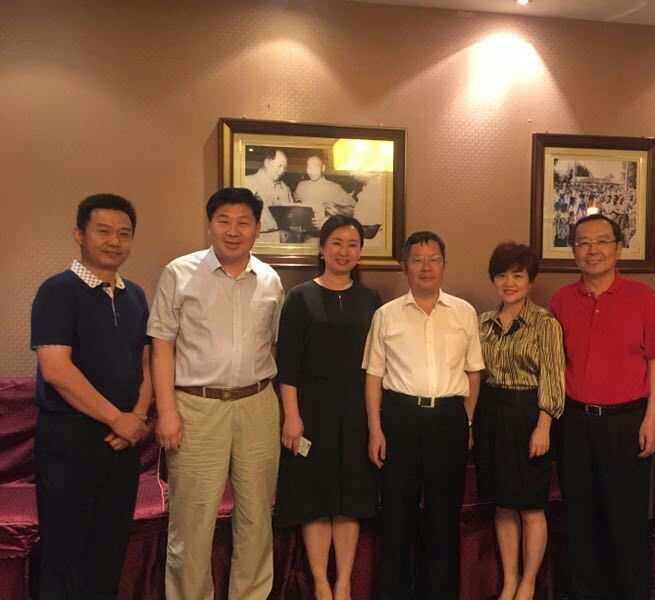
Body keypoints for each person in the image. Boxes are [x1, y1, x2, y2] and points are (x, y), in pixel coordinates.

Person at [148, 187, 284, 600]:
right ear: (210, 225)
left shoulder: (270, 280)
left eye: (244, 222)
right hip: (196, 407)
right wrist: (166, 412)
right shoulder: (179, 273)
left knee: (257, 517)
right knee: (192, 521)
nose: (233, 230)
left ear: (257, 229)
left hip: (258, 404)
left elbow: (274, 345)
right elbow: (161, 346)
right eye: (224, 220)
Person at [31, 193, 151, 599]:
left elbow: (147, 363)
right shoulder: (57, 291)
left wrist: (137, 418)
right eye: (103, 231)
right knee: (63, 555)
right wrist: (118, 419)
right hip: (70, 441)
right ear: (79, 234)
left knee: (109, 552)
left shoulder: (136, 295)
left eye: (124, 233)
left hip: (123, 444)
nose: (114, 241)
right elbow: (56, 369)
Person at [362, 231, 484, 600]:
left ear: (444, 266)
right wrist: (375, 430)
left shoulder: (464, 312)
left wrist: (466, 421)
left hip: (448, 418)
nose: (426, 267)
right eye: (417, 260)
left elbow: (473, 372)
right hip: (400, 417)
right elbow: (374, 376)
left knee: (443, 516)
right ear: (405, 267)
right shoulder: (386, 315)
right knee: (396, 514)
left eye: (434, 259)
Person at [550, 213, 655, 600]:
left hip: (627, 421)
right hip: (575, 421)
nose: (592, 250)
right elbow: (555, 363)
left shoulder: (643, 297)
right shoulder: (561, 300)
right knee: (579, 519)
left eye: (601, 241)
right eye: (583, 242)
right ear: (573, 251)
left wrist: (651, 418)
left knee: (627, 519)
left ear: (618, 248)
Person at [274, 215, 381, 600]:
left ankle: (343, 582)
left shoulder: (370, 300)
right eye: (336, 243)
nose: (343, 251)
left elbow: (377, 365)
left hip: (356, 411)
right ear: (321, 249)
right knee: (316, 499)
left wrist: (375, 423)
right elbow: (287, 365)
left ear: (360, 252)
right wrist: (292, 416)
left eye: (352, 244)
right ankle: (321, 582)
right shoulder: (299, 297)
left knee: (349, 499)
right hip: (311, 412)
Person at [475, 242, 565, 600]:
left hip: (529, 413)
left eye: (518, 275)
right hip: (491, 412)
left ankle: (528, 583)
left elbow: (553, 377)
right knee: (503, 503)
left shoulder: (545, 323)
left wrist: (544, 425)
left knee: (530, 505)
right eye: (502, 275)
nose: (509, 283)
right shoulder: (483, 322)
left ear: (530, 280)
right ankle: (509, 580)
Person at [294, 155, 355, 227]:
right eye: (309, 167)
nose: (312, 171)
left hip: (326, 231)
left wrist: (331, 217)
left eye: (315, 167)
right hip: (303, 232)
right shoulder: (301, 186)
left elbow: (351, 210)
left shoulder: (334, 188)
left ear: (323, 168)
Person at [244, 148, 293, 233]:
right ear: (267, 163)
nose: (282, 171)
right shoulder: (247, 182)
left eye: (284, 168)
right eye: (279, 166)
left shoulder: (285, 188)